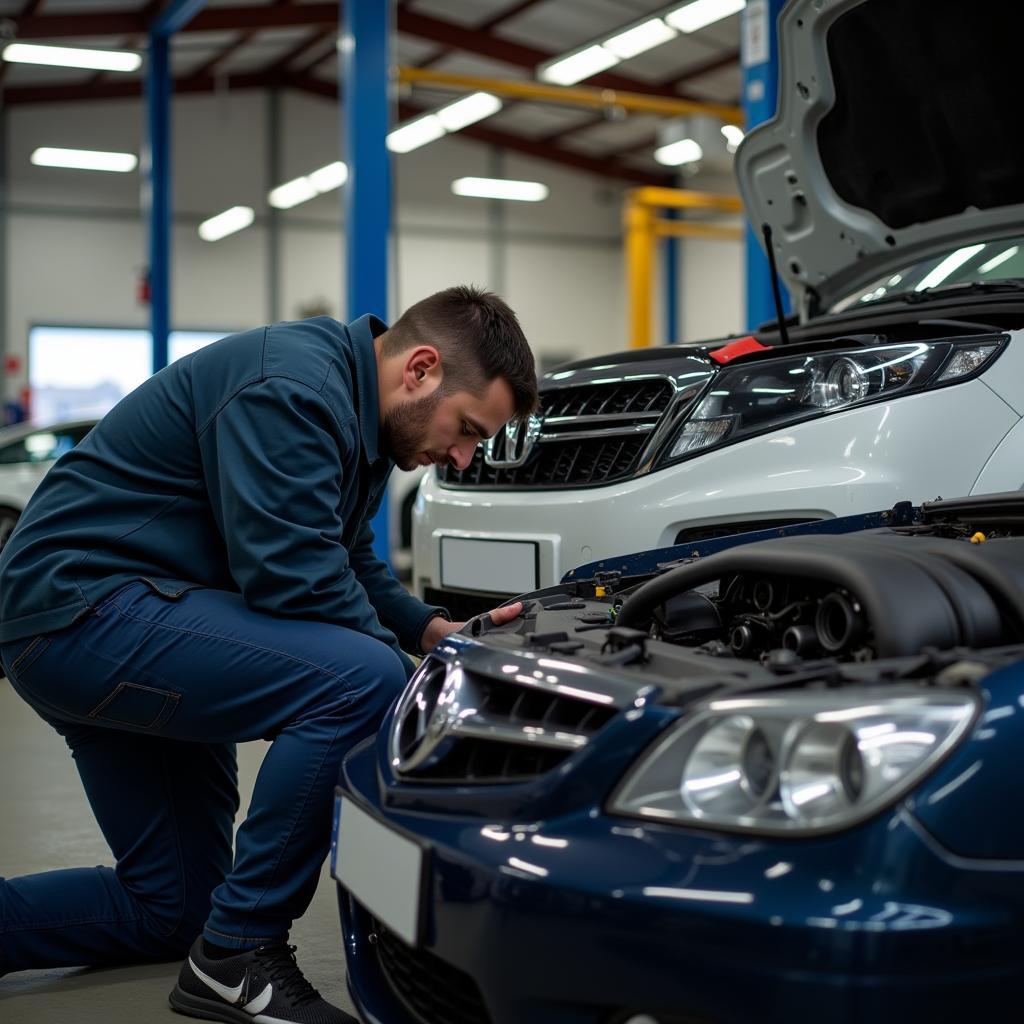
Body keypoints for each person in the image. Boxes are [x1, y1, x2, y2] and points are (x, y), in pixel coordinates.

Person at [0, 285, 536, 1023]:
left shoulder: (360, 413)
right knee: (361, 683)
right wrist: (413, 679)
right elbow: (290, 573)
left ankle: (195, 938)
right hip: (84, 612)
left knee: (174, 907)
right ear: (420, 369)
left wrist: (428, 631)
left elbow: (340, 552)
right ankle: (241, 952)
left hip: (112, 617)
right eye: (469, 429)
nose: (465, 460)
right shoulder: (291, 386)